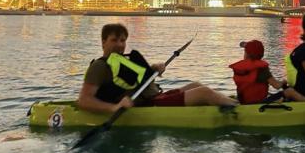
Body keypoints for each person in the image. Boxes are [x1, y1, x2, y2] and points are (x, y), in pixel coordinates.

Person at [78, 23, 237, 113]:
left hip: (155, 98)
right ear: (103, 42)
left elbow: (136, 81)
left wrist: (153, 70)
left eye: (123, 40)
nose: (120, 45)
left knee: (197, 85)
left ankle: (235, 102)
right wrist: (114, 108)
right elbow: (84, 101)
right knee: (204, 93)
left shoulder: (122, 61)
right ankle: (240, 109)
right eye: (114, 40)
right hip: (148, 106)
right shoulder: (99, 66)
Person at [229, 40, 305, 104]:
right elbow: (276, 85)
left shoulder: (241, 69)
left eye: (245, 51)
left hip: (244, 102)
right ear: (261, 55)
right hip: (258, 104)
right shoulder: (262, 69)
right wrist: (283, 82)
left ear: (246, 54)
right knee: (290, 91)